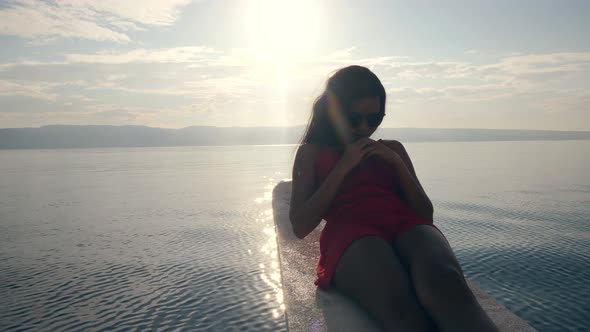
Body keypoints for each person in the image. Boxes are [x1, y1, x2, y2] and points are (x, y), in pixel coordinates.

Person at [288, 65, 499, 332]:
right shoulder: (311, 153)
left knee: (449, 286)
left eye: (374, 118)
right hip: (352, 231)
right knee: (399, 307)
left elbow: (425, 214)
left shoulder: (392, 149)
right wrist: (344, 166)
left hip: (406, 224)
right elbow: (300, 225)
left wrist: (397, 163)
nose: (365, 128)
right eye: (354, 119)